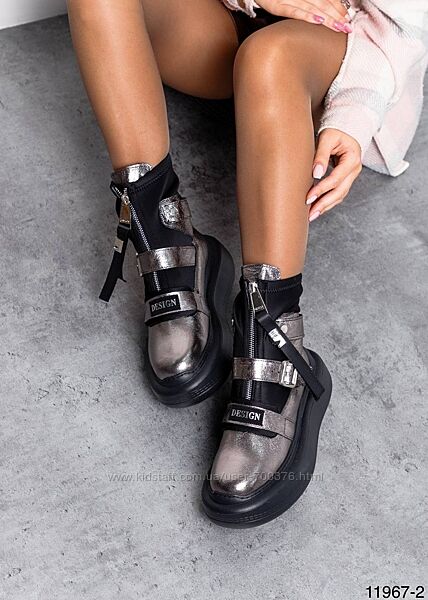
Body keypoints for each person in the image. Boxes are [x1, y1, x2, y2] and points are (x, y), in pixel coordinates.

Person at [67, 0, 428, 527]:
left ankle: (276, 333)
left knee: (269, 57)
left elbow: (406, 25)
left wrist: (355, 113)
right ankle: (165, 236)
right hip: (227, 24)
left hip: (346, 52)